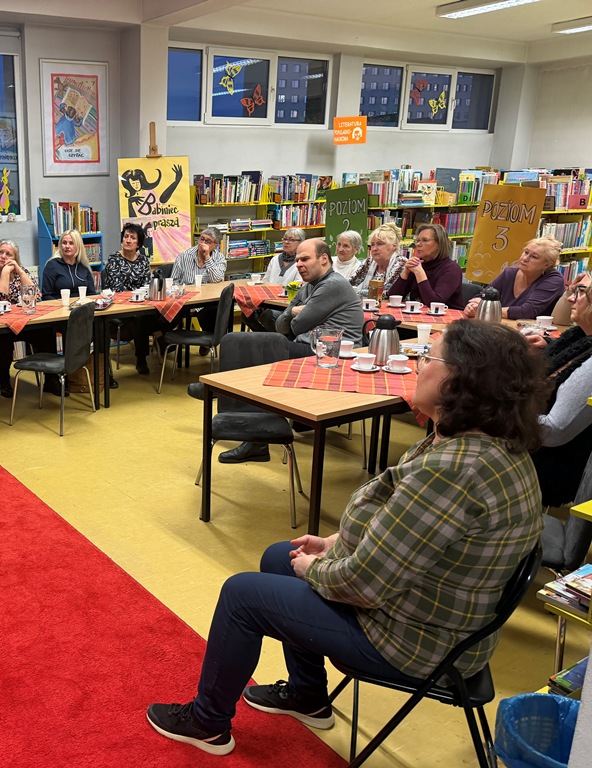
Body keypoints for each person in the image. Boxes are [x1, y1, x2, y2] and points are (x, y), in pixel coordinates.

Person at [147, 320, 546, 756]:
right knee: (280, 556)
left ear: (461, 380)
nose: (417, 366)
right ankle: (308, 696)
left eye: (428, 358)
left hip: (415, 642)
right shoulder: (485, 445)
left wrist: (317, 568)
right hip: (439, 619)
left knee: (242, 595)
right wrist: (336, 543)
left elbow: (363, 585)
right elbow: (406, 529)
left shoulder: (452, 471)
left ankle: (207, 723)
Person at [220, 239, 363, 464]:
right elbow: (282, 325)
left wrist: (293, 314)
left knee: (263, 349)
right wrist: (293, 312)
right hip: (313, 347)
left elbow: (295, 326)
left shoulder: (332, 285)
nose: (299, 265)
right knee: (259, 343)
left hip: (333, 355)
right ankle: (227, 392)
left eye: (305, 259)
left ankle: (246, 425)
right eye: (297, 260)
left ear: (324, 259)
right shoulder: (310, 285)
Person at [526, 271, 592, 508]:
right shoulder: (579, 336)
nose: (571, 298)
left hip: (550, 466)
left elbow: (554, 431)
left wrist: (500, 413)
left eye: (580, 292)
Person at [0, 239, 47, 398]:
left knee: (45, 331)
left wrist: (20, 272)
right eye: (0, 252)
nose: (3, 256)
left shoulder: (20, 271)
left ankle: (51, 379)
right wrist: (5, 274)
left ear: (15, 258)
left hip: (18, 322)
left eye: (8, 254)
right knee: (3, 337)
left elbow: (36, 296)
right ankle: (4, 380)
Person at [462, 237, 565, 320]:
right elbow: (483, 296)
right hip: (503, 327)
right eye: (526, 252)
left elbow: (527, 311)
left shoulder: (554, 280)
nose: (525, 258)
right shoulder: (509, 273)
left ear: (547, 264)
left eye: (534, 257)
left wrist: (484, 309)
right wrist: (472, 306)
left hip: (535, 333)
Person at [102, 222, 152, 374]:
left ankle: (160, 341)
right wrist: (137, 293)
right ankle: (141, 358)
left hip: (140, 305)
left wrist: (141, 294)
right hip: (119, 308)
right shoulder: (114, 258)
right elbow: (117, 288)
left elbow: (147, 285)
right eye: (126, 237)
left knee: (155, 316)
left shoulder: (143, 260)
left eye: (133, 238)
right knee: (141, 318)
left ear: (139, 243)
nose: (128, 240)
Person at [388, 222, 464, 309]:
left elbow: (435, 303)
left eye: (425, 240)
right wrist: (406, 272)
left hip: (447, 315)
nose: (418, 244)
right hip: (418, 313)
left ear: (439, 244)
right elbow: (393, 298)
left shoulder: (452, 269)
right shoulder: (418, 265)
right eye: (417, 240)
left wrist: (420, 273)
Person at [349, 222, 407, 299]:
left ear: (394, 246)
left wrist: (359, 292)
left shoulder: (401, 263)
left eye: (380, 244)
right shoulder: (369, 261)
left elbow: (385, 293)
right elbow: (350, 284)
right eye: (372, 245)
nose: (374, 249)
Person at [41, 229, 96, 299]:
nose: (67, 246)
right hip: (60, 304)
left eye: (71, 243)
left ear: (78, 246)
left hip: (82, 304)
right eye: (64, 243)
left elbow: (92, 294)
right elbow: (46, 295)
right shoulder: (52, 266)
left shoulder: (83, 266)